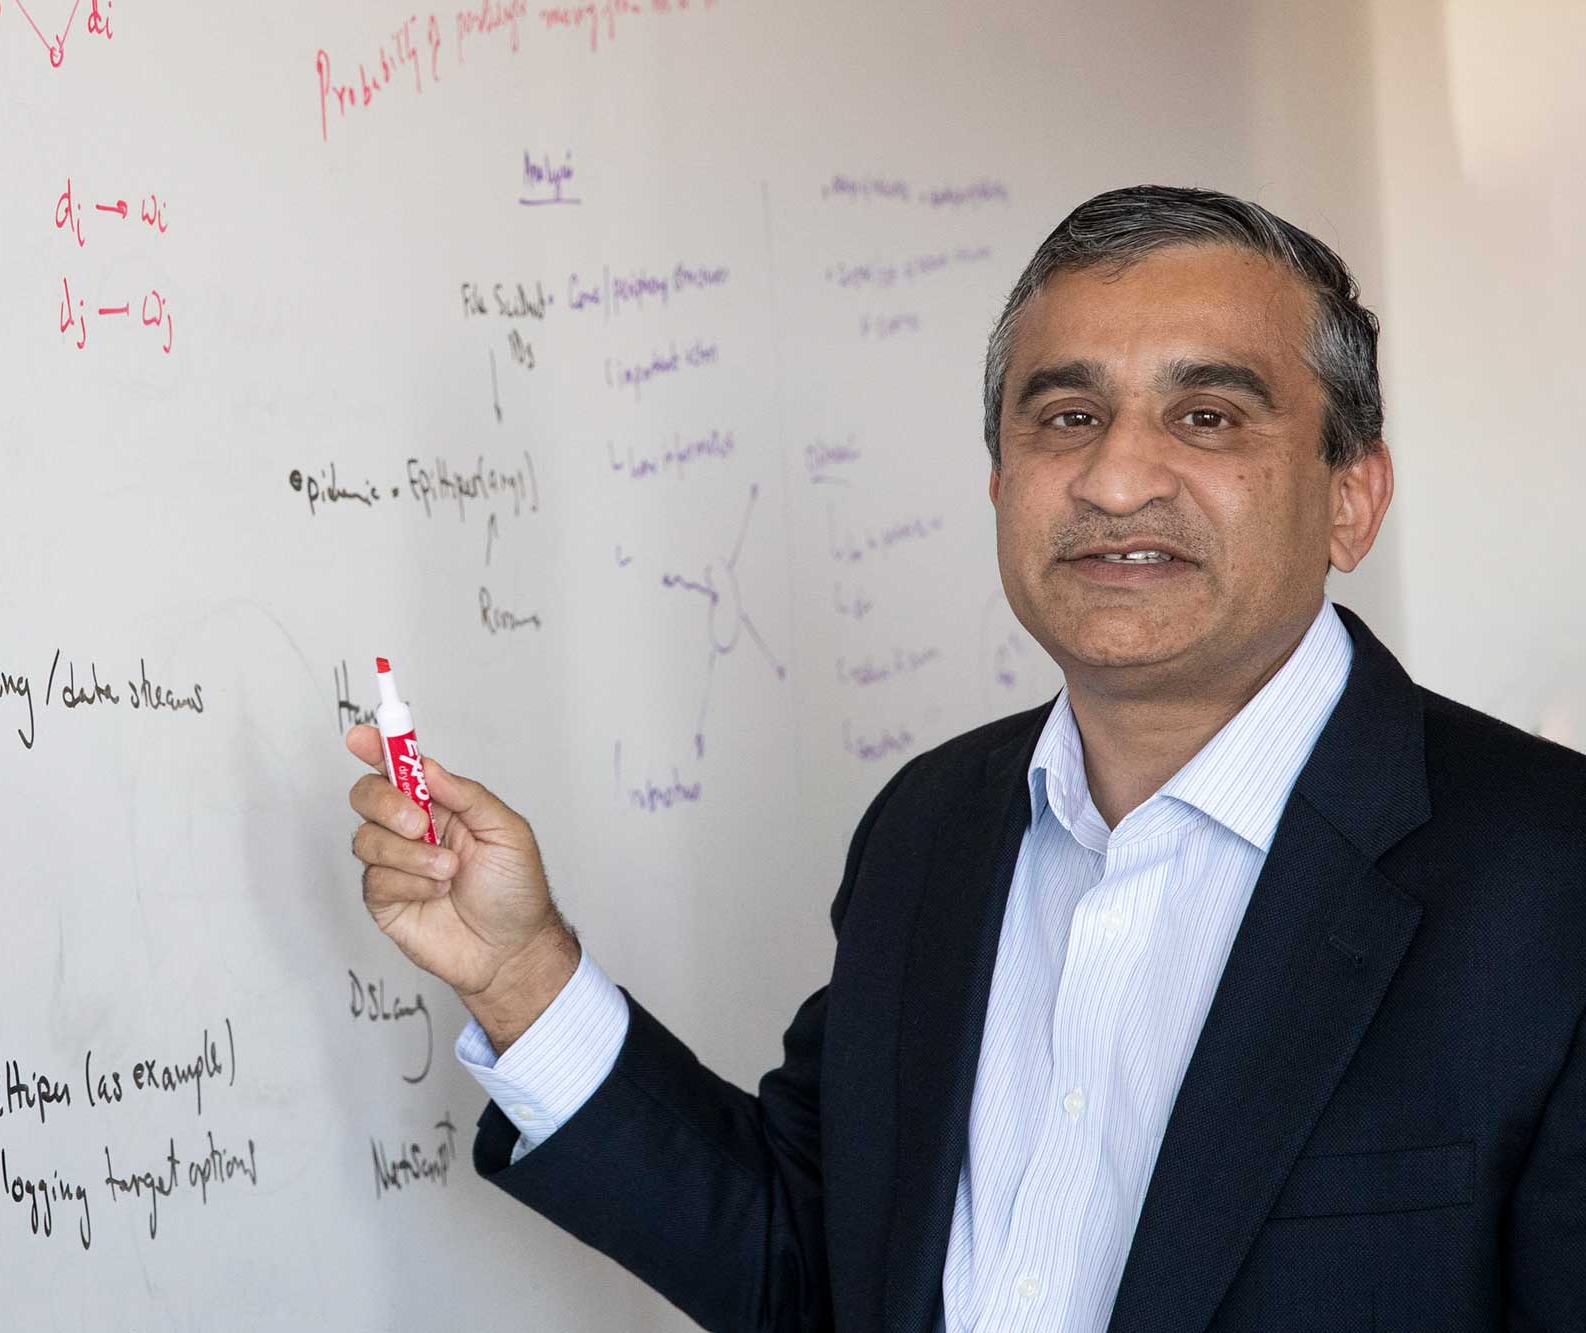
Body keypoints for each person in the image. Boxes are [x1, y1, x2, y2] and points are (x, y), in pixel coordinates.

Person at [342, 185, 1586, 1332]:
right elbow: (810, 1268)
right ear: (999, 483)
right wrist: (519, 969)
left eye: (1204, 415)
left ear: (1349, 499)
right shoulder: (928, 829)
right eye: (1066, 415)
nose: (1112, 476)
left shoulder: (1549, 879)